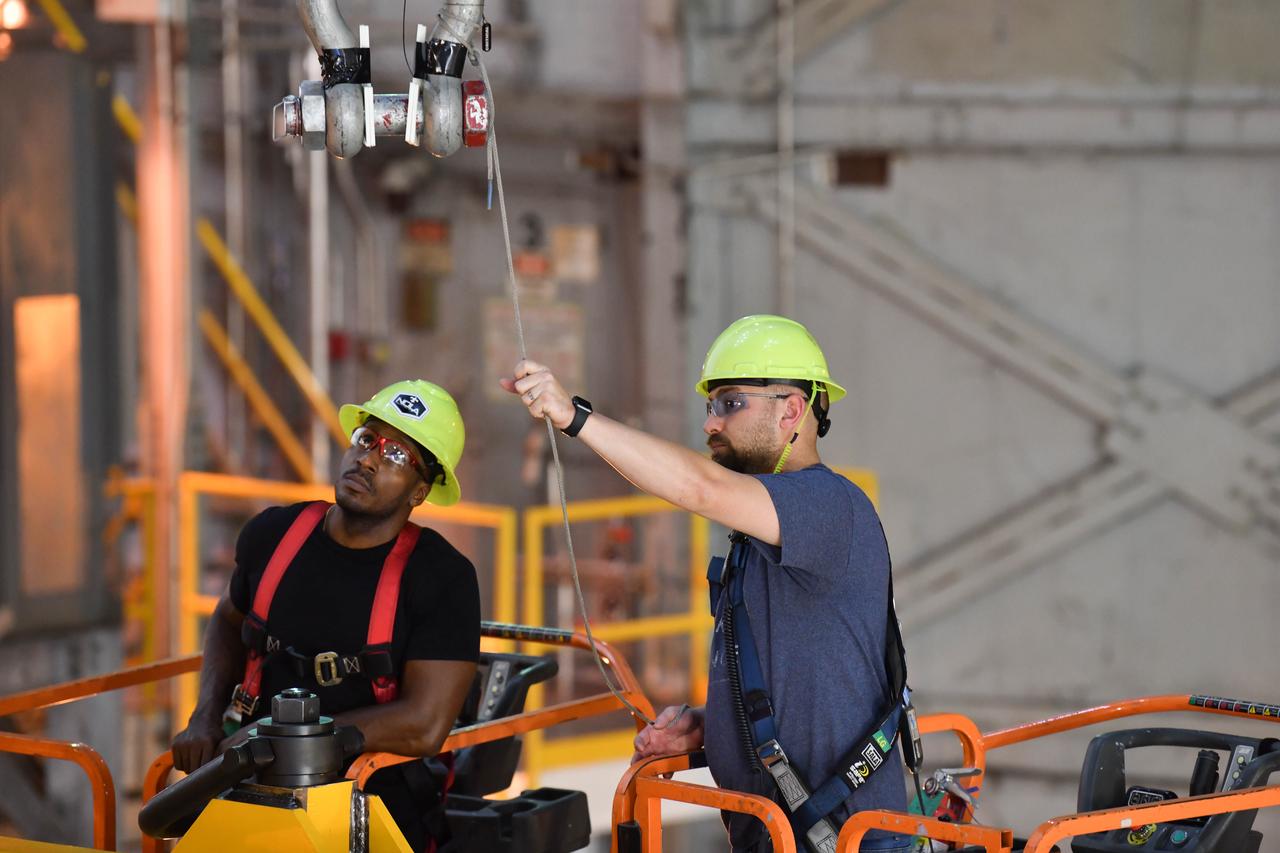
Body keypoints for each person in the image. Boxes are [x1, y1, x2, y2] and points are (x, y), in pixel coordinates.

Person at [502, 315, 911, 853]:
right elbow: (798, 675)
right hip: (782, 834)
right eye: (710, 406)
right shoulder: (759, 536)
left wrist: (572, 416)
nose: (710, 424)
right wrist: (711, 724)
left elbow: (699, 487)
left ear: (792, 409)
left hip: (847, 839)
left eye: (729, 404)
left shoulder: (831, 507)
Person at [171, 380, 481, 851]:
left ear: (420, 492)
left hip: (370, 804)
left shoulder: (442, 579)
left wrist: (287, 738)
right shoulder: (274, 535)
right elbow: (228, 620)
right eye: (366, 440)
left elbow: (425, 723)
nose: (369, 459)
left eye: (396, 455)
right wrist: (205, 715)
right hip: (247, 780)